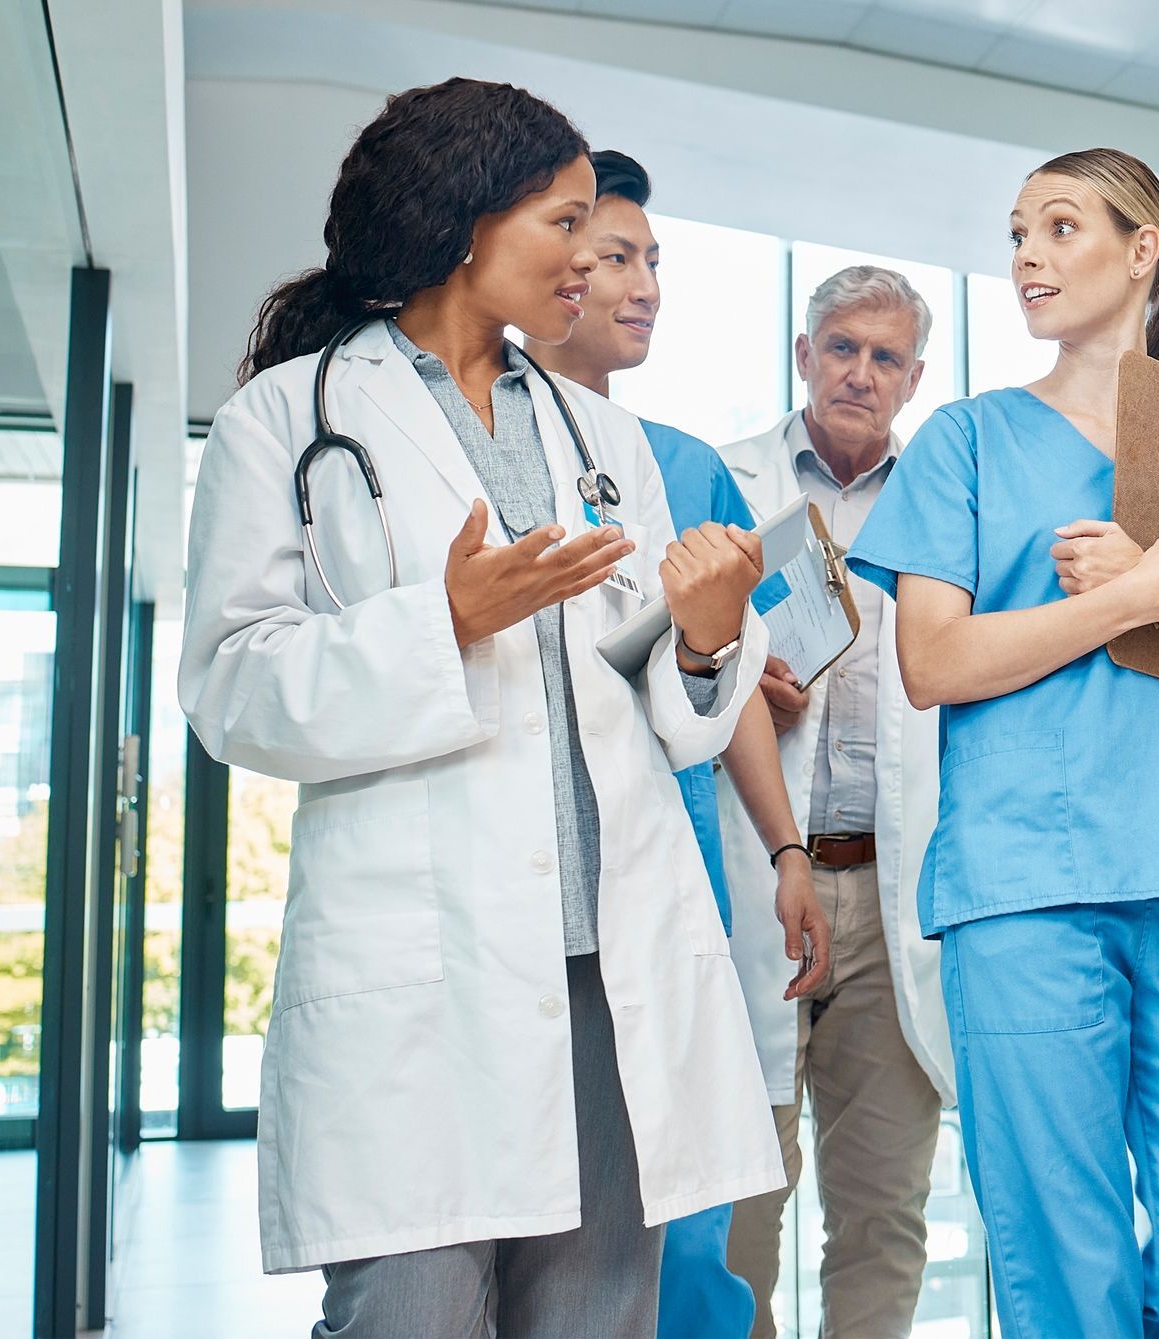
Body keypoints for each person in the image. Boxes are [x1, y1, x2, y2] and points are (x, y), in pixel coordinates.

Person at [177, 79, 784, 1337]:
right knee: (416, 1313)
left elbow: (665, 704)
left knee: (595, 1318)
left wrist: (711, 633)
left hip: (608, 977)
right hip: (428, 962)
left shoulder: (592, 431)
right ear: (467, 223)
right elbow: (234, 689)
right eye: (565, 226)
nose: (591, 261)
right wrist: (442, 623)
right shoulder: (289, 420)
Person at [845, 148, 1159, 1339]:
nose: (1027, 259)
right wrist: (1121, 601)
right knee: (1068, 1275)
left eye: (1061, 229)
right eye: (1017, 235)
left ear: (1142, 247)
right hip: (1027, 893)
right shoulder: (966, 439)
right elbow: (933, 661)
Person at [526, 147, 828, 1339]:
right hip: (532, 871)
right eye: (617, 258)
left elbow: (731, 681)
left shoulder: (687, 465)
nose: (645, 285)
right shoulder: (459, 449)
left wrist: (786, 849)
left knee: (683, 1208)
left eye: (655, 262)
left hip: (672, 869)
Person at [720, 267, 957, 1339]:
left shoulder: (945, 501)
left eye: (887, 356)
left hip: (889, 889)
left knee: (883, 1211)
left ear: (914, 377)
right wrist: (731, 672)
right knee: (738, 1205)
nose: (862, 372)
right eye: (842, 347)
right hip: (763, 881)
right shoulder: (730, 485)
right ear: (804, 355)